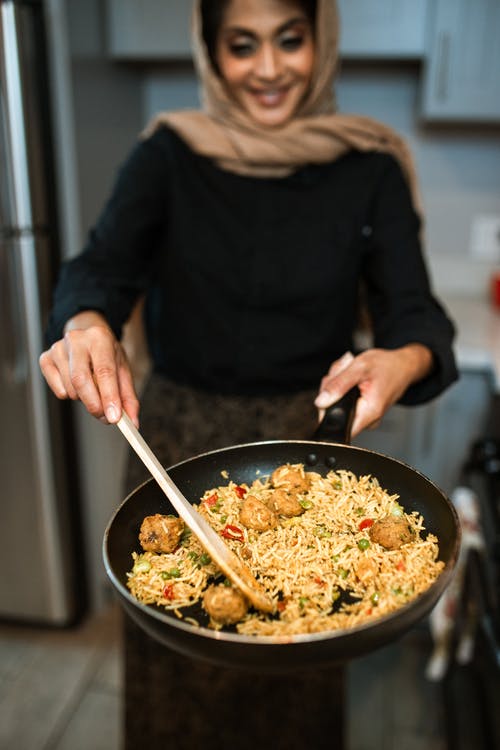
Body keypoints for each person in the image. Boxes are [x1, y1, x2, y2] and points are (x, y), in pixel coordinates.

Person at [39, 0, 458, 746]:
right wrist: (86, 323)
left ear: (320, 41)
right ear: (211, 52)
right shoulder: (169, 154)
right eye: (242, 45)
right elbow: (98, 268)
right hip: (179, 443)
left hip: (311, 443)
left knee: (297, 676)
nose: (268, 69)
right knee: (178, 681)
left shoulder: (369, 167)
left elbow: (418, 318)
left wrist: (399, 358)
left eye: (290, 40)